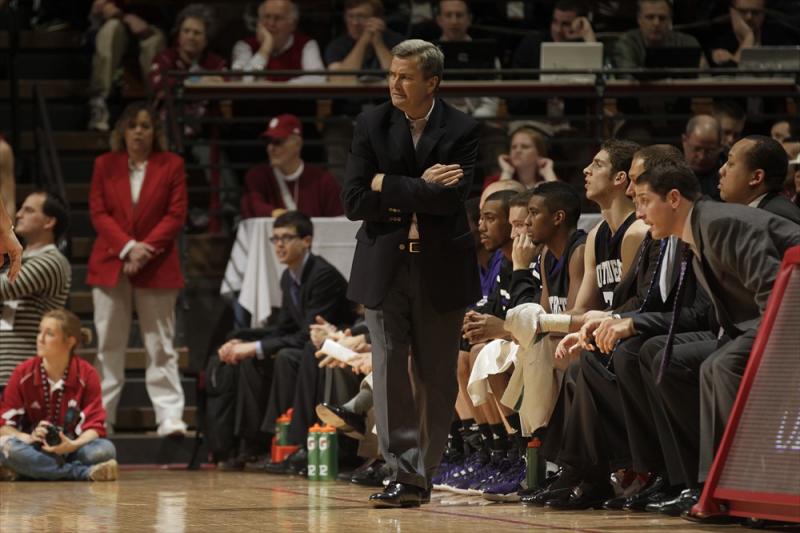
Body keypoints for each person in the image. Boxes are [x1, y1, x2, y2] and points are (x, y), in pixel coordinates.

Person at [342, 39, 480, 507]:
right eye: (392, 75)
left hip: (440, 267)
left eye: (405, 77)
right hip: (385, 265)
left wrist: (388, 184)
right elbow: (355, 201)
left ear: (432, 82)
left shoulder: (462, 128)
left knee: (436, 378)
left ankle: (422, 474)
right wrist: (418, 185)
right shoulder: (371, 123)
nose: (394, 84)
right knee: (388, 371)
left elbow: (450, 200)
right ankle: (401, 471)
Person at [632, 160, 800, 518]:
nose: (640, 212)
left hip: (789, 319)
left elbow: (777, 292)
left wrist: (755, 353)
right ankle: (707, 484)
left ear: (674, 198)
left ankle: (749, 484)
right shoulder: (697, 229)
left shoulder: (720, 223)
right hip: (765, 321)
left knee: (721, 365)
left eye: (645, 200)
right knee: (671, 360)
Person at [212, 211, 354, 469]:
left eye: (287, 238)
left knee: (285, 358)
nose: (279, 244)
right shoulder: (289, 276)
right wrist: (242, 342)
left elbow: (306, 334)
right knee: (249, 359)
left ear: (307, 240)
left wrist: (254, 347)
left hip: (333, 346)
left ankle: (292, 443)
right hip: (307, 343)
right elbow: (284, 327)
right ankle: (253, 444)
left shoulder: (322, 275)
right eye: (275, 238)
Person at [88, 102, 188, 437]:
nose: (139, 132)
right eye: (133, 126)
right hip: (110, 262)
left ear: (155, 132)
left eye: (146, 126)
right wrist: (129, 247)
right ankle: (102, 418)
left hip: (157, 264)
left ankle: (169, 416)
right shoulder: (105, 164)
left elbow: (175, 215)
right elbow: (98, 212)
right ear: (122, 132)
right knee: (108, 345)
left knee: (160, 344)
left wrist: (145, 250)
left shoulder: (171, 164)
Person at [0, 310, 118, 482]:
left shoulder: (87, 374)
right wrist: (30, 437)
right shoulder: (22, 373)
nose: (40, 338)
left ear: (70, 341)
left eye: (49, 334)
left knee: (104, 450)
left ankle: (32, 469)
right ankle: (82, 473)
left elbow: (96, 426)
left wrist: (73, 445)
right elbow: (4, 425)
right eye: (40, 331)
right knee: (5, 446)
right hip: (34, 447)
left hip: (71, 448)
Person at [0, 192, 71, 390]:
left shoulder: (52, 261)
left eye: (29, 210)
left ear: (49, 222)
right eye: (21, 209)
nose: (19, 214)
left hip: (23, 370)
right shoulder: (15, 261)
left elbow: (3, 288)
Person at [240, 114, 343, 218]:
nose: (270, 148)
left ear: (298, 144)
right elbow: (252, 206)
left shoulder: (323, 180)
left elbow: (337, 220)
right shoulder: (257, 176)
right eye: (268, 142)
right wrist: (279, 215)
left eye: (277, 142)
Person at [87, 0, 166, 131]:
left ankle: (156, 106)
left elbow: (164, 16)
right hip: (109, 30)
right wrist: (102, 14)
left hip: (148, 29)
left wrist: (144, 29)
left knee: (153, 40)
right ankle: (98, 103)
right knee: (111, 28)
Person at [231, 0, 324, 83]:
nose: (271, 23)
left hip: (293, 102)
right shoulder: (244, 46)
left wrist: (277, 88)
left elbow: (318, 79)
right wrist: (265, 48)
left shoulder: (306, 45)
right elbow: (241, 82)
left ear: (293, 24)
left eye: (278, 18)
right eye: (267, 17)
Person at [718, 135, 800, 223]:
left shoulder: (777, 218)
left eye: (730, 163)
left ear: (756, 177)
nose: (721, 171)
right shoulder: (759, 211)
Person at [612, 0, 701, 71]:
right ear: (639, 20)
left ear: (670, 20)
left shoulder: (687, 43)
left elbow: (703, 81)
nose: (656, 23)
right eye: (650, 17)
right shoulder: (627, 43)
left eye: (662, 18)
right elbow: (628, 78)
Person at [709, 0, 799, 67]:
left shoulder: (778, 36)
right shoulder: (719, 41)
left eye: (755, 12)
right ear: (732, 12)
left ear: (763, 14)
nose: (749, 17)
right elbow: (727, 82)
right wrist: (748, 39)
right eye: (743, 11)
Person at [483, 126, 557, 190]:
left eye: (525, 147)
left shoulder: (549, 179)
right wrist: (507, 172)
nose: (517, 150)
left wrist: (548, 173)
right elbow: (497, 204)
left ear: (539, 153)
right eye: (514, 147)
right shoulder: (493, 181)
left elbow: (562, 203)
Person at [682, 115, 723, 200]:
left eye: (709, 151)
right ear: (684, 141)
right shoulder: (668, 175)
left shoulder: (726, 179)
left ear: (719, 147)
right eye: (697, 149)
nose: (702, 157)